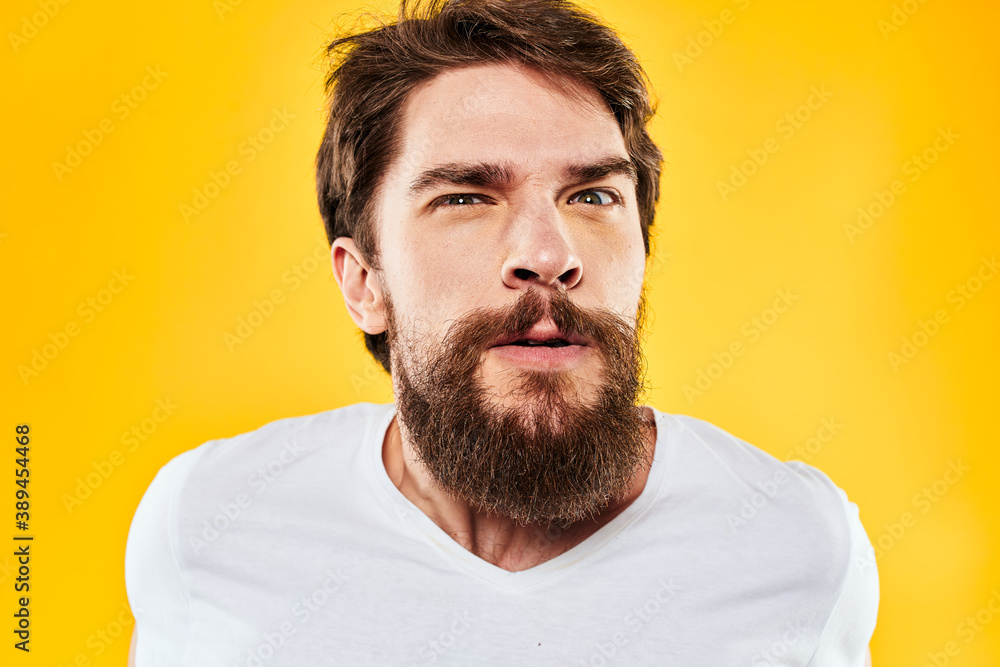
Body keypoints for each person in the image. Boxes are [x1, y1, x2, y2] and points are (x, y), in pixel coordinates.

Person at [125, 0, 879, 664]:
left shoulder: (796, 546)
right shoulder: (208, 523)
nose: (550, 256)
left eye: (592, 194)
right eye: (466, 197)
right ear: (364, 282)